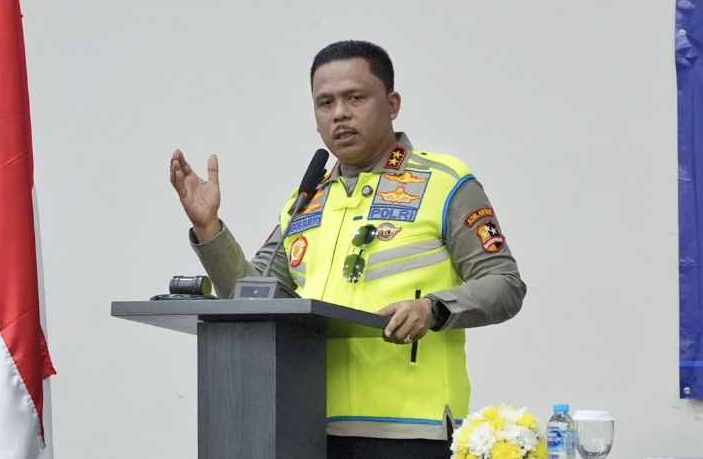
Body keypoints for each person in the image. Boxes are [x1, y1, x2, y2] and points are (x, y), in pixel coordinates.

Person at [170, 40, 526, 458]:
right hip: (307, 425)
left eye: (355, 97)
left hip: (412, 431)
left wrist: (433, 308)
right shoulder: (305, 201)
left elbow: (505, 283)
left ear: (392, 104)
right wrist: (209, 228)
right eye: (325, 103)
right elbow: (250, 296)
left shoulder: (444, 183)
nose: (339, 113)